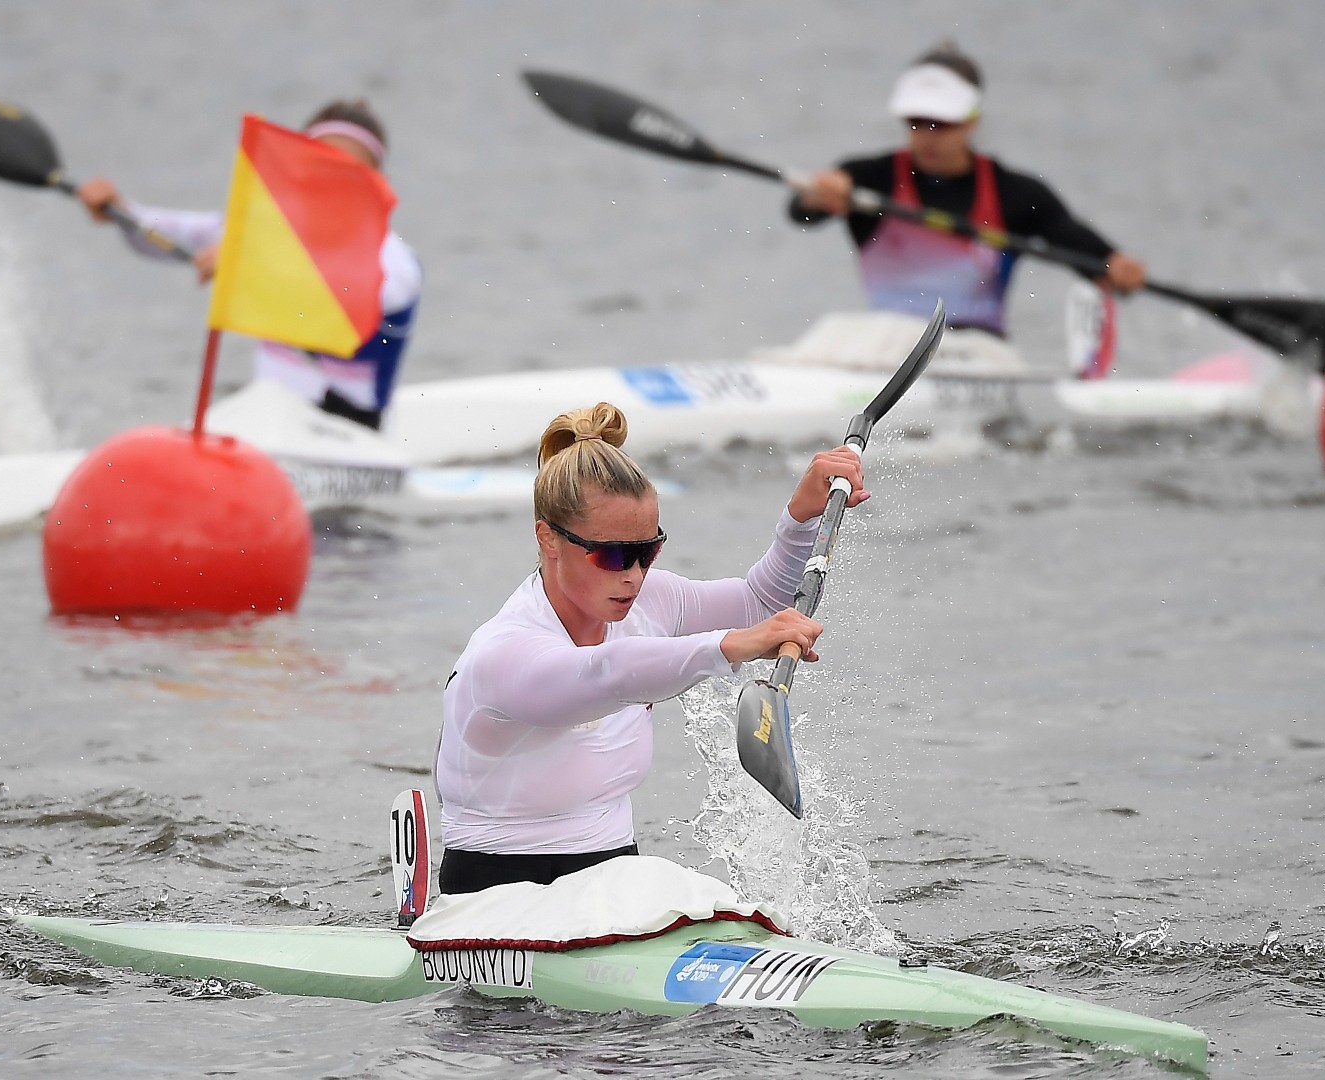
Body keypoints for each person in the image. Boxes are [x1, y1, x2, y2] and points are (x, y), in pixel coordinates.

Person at [434, 403, 865, 895]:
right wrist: (730, 646)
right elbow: (603, 675)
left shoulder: (650, 600)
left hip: (615, 881)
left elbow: (760, 602)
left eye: (648, 551)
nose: (634, 575)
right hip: (493, 896)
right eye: (614, 553)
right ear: (547, 538)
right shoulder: (501, 652)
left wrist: (801, 518)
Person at [75, 100, 422, 430]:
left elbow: (357, 293)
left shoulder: (393, 260)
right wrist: (120, 211)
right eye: (321, 164)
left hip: (350, 432)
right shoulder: (267, 235)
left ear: (377, 185)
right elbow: (166, 236)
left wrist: (252, 262)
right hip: (270, 423)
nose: (332, 180)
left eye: (349, 171)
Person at [791, 42, 1147, 338]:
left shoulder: (1017, 195)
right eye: (916, 121)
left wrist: (1116, 266)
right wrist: (817, 194)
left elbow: (1083, 252)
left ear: (973, 119)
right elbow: (800, 212)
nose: (928, 135)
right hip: (883, 343)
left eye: (941, 123)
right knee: (832, 331)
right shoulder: (868, 178)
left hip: (977, 353)